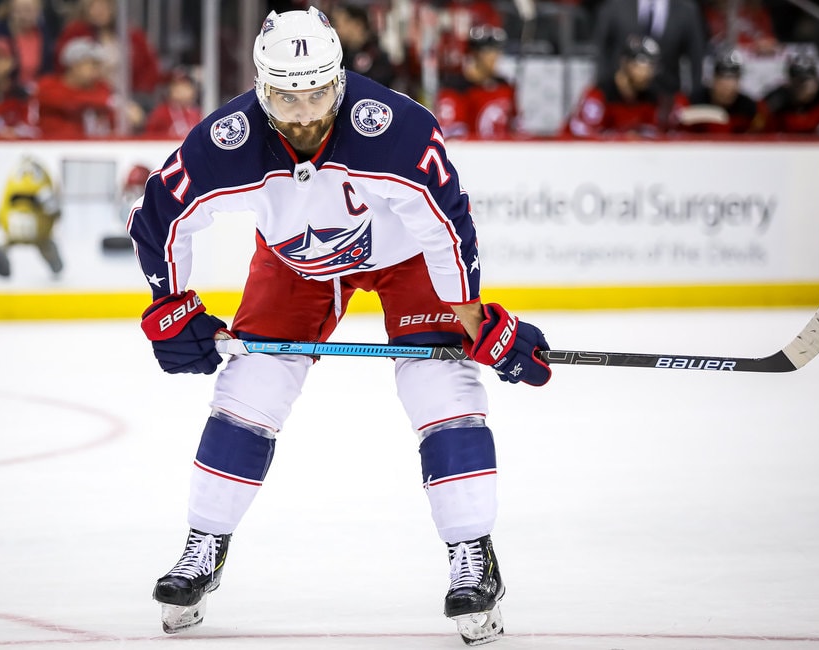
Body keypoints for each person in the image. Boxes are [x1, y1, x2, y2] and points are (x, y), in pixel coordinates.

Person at [127, 6, 553, 646]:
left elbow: (446, 220)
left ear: (341, 79)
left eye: (318, 94)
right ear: (261, 89)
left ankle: (473, 553)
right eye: (286, 97)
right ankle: (203, 545)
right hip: (293, 263)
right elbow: (158, 216)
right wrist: (169, 305)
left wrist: (474, 318)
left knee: (439, 389)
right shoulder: (230, 138)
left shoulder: (396, 127)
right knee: (251, 389)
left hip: (406, 257)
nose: (303, 115)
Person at [562, 34, 686, 137]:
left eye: (653, 67)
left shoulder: (653, 99)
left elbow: (665, 135)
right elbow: (582, 138)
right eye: (643, 64)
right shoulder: (599, 96)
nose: (648, 73)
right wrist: (623, 139)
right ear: (625, 62)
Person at [53, 0, 162, 103]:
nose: (99, 11)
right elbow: (65, 70)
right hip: (90, 97)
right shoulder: (75, 33)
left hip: (130, 96)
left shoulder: (133, 35)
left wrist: (140, 94)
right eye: (93, 6)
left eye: (104, 5)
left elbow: (150, 68)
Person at [592, 0, 705, 97]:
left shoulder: (687, 10)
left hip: (667, 99)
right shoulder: (614, 6)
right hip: (622, 98)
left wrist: (694, 98)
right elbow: (600, 49)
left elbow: (697, 58)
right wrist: (607, 87)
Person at [35, 36, 143, 138]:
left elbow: (111, 114)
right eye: (92, 64)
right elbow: (70, 102)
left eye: (98, 65)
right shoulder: (49, 85)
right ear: (74, 64)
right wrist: (114, 104)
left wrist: (128, 114)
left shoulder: (100, 87)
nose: (96, 69)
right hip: (50, 149)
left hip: (90, 149)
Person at [434, 24, 517, 139]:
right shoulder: (456, 90)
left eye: (497, 50)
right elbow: (449, 136)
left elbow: (516, 127)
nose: (495, 56)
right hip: (472, 155)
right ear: (474, 53)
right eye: (488, 51)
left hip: (503, 153)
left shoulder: (505, 86)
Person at [679, 49, 763, 134]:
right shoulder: (694, 102)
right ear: (714, 82)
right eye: (723, 86)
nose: (727, 92)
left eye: (732, 88)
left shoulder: (748, 107)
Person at [0, 0, 57, 90]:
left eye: (29, 10)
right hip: (6, 90)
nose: (24, 15)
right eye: (20, 10)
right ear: (11, 10)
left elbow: (48, 68)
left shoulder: (43, 33)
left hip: (36, 89)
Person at [330, 3, 396, 88]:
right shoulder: (337, 56)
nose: (335, 30)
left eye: (338, 25)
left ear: (357, 24)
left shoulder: (377, 57)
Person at [143, 68, 202, 139]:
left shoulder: (198, 113)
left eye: (185, 86)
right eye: (176, 86)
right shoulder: (160, 113)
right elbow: (149, 137)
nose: (181, 90)